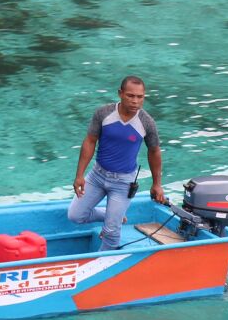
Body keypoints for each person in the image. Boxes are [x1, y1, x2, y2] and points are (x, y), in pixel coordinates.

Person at [69, 75, 163, 250]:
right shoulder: (103, 113)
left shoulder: (147, 122)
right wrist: (79, 175)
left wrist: (157, 184)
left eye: (140, 97)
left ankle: (102, 264)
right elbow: (90, 141)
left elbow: (154, 151)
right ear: (120, 93)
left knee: (111, 232)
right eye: (130, 95)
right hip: (97, 175)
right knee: (75, 216)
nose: (135, 101)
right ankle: (111, 215)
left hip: (123, 182)